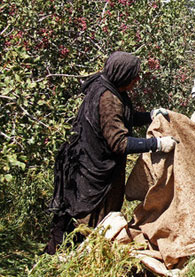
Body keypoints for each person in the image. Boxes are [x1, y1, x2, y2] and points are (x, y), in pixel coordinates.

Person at [45, 51, 177, 254]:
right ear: (123, 75)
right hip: (92, 168)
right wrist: (156, 144)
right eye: (134, 76)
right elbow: (119, 143)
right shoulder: (108, 99)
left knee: (96, 219)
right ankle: (68, 256)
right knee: (84, 217)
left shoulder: (108, 86)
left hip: (95, 162)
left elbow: (123, 119)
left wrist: (149, 116)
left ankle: (86, 254)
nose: (137, 80)